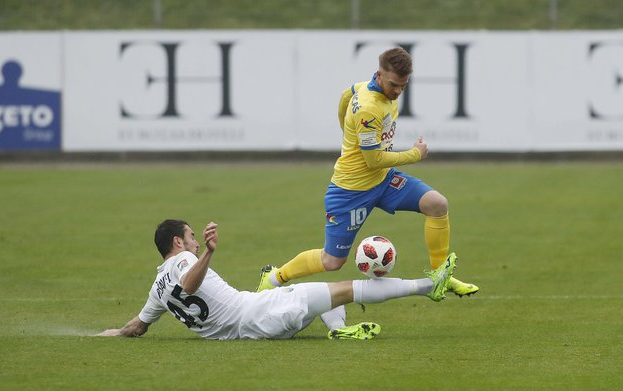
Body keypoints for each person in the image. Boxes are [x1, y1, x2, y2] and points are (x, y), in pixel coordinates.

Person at [257, 47, 478, 335]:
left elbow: (344, 95)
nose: (398, 91)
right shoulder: (370, 107)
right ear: (379, 74)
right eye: (393, 84)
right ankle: (274, 277)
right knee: (332, 261)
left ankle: (440, 277)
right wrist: (414, 154)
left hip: (383, 181)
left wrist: (345, 131)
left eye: (403, 85)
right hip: (350, 192)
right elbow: (373, 158)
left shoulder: (365, 88)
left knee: (437, 204)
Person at [97, 219, 457, 340]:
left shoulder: (156, 290)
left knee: (325, 293)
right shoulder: (188, 259)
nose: (193, 241)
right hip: (259, 312)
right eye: (190, 236)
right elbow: (188, 285)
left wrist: (105, 334)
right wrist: (207, 251)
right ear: (178, 243)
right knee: (351, 287)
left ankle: (339, 330)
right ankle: (430, 286)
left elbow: (136, 327)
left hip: (252, 330)